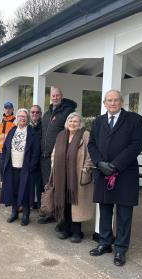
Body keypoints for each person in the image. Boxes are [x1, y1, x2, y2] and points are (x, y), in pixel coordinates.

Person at [88, 89, 142, 267]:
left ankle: (120, 248)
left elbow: (136, 145)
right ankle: (104, 242)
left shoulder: (134, 120)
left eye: (116, 100)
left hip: (125, 173)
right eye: (109, 100)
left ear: (121, 102)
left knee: (124, 213)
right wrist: (99, 163)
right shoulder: (98, 122)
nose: (112, 103)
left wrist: (115, 165)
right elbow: (92, 144)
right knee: (104, 210)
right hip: (103, 173)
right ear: (104, 103)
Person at [50, 112, 94, 243]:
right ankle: (65, 229)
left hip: (77, 176)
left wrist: (86, 169)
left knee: (75, 203)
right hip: (61, 176)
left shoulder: (85, 135)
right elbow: (54, 153)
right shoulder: (61, 135)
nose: (72, 123)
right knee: (64, 201)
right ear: (66, 123)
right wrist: (54, 166)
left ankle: (76, 232)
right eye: (70, 121)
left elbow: (90, 154)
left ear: (80, 123)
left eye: (75, 121)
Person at [38, 87, 77, 224]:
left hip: (57, 157)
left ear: (62, 96)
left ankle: (60, 216)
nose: (55, 98)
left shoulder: (68, 111)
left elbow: (71, 132)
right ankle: (49, 211)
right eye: (53, 96)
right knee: (47, 186)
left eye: (57, 95)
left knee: (58, 186)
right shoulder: (47, 113)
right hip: (44, 157)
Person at [0, 109, 41, 226]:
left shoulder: (32, 132)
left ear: (28, 119)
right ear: (17, 118)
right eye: (20, 116)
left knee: (26, 191)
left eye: (24, 116)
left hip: (26, 168)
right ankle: (14, 212)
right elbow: (5, 149)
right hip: (12, 167)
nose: (22, 118)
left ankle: (26, 214)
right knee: (13, 190)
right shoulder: (12, 131)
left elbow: (36, 152)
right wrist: (3, 163)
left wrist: (32, 166)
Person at [0, 101, 16, 180]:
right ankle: (3, 188)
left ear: (12, 109)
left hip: (11, 151)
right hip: (2, 152)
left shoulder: (15, 121)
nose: (7, 110)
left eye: (9, 108)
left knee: (9, 172)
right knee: (2, 170)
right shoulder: (1, 121)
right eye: (6, 108)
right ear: (3, 109)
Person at [30, 105, 43, 209]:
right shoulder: (26, 126)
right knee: (28, 183)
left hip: (40, 160)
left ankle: (39, 204)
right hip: (28, 160)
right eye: (33, 112)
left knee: (39, 184)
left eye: (37, 112)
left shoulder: (44, 126)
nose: (35, 114)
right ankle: (29, 203)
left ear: (40, 114)